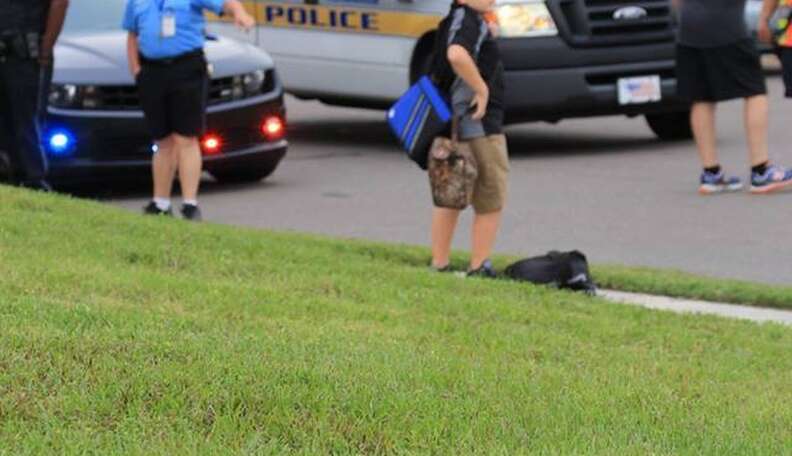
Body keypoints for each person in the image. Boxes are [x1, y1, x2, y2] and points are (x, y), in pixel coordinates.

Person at [123, 0, 254, 221]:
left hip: (186, 68)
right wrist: (136, 69)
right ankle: (161, 203)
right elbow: (132, 34)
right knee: (162, 140)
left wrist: (240, 13)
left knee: (186, 137)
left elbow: (226, 3)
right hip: (152, 72)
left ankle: (190, 204)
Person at [675, 0, 792, 195]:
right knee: (755, 91)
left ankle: (711, 173)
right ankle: (760, 170)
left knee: (701, 97)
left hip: (688, 29)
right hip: (726, 27)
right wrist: (765, 18)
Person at [429, 0, 509, 277]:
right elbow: (457, 54)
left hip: (455, 123)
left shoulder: (457, 18)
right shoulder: (469, 20)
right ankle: (480, 266)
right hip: (479, 124)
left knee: (450, 192)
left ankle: (439, 263)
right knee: (491, 194)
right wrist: (482, 89)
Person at [0, 0, 70, 192]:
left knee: (26, 121)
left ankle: (32, 178)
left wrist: (46, 47)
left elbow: (60, 3)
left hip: (25, 53)